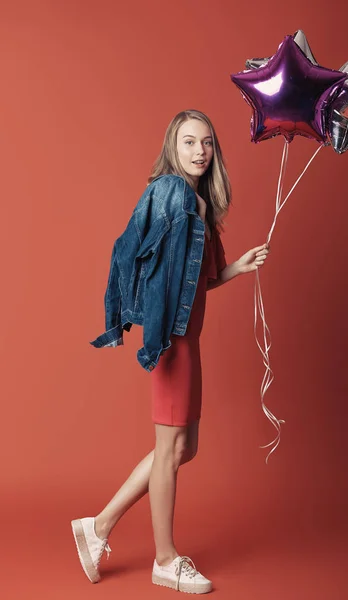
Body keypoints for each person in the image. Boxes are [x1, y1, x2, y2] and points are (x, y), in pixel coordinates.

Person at [71, 109, 270, 594]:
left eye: (206, 143)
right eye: (188, 142)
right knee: (169, 451)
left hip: (187, 343)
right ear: (172, 149)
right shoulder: (173, 193)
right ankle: (165, 559)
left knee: (184, 448)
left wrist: (237, 268)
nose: (199, 151)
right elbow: (145, 265)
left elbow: (196, 284)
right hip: (172, 343)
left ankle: (96, 528)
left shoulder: (200, 207)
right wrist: (154, 336)